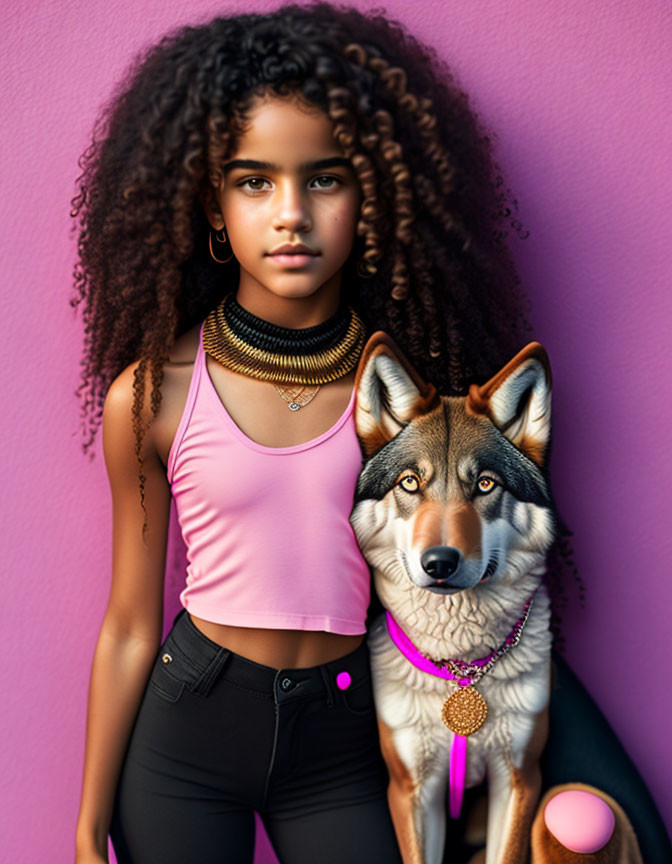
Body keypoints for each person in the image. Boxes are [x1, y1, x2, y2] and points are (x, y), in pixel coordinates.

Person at [71, 4, 669, 863]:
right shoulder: (151, 396)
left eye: (324, 178)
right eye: (253, 181)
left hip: (347, 734)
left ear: (373, 196)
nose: (289, 214)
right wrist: (90, 828)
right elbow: (130, 623)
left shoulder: (413, 409)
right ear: (212, 203)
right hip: (187, 730)